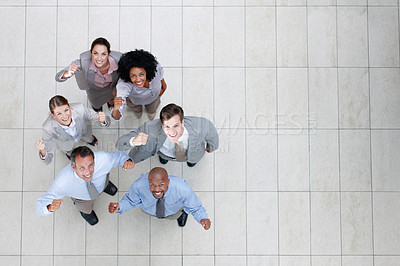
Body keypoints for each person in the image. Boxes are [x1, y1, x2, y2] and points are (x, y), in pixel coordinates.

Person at [36, 146, 135, 225]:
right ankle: (85, 212)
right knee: (87, 211)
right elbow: (39, 207)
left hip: (102, 183)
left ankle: (105, 187)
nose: (88, 172)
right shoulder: (62, 182)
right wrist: (49, 208)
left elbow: (119, 156)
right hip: (83, 199)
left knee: (109, 187)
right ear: (73, 167)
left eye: (90, 165)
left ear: (94, 161)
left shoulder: (103, 159)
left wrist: (126, 161)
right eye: (82, 168)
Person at [116, 103, 219, 167]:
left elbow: (213, 136)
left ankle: (191, 161)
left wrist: (212, 147)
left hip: (193, 154)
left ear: (182, 122)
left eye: (176, 126)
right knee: (164, 158)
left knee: (192, 161)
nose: (172, 132)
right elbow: (119, 144)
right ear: (161, 125)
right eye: (167, 127)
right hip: (164, 152)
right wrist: (133, 141)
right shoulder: (149, 128)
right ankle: (164, 158)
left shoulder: (202, 126)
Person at [108, 167, 211, 230]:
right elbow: (131, 201)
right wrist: (120, 207)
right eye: (152, 185)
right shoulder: (138, 186)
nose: (156, 190)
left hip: (174, 210)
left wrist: (203, 218)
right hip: (149, 209)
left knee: (176, 215)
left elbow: (195, 208)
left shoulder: (183, 189)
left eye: (161, 185)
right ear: (148, 182)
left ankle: (182, 214)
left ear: (168, 182)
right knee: (151, 212)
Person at [35, 95, 111, 165]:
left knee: (88, 137)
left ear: (69, 106)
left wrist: (103, 120)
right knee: (68, 150)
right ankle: (69, 153)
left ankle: (90, 139)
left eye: (66, 110)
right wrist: (43, 151)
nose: (65, 116)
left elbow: (101, 120)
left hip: (84, 132)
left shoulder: (80, 108)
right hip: (66, 143)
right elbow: (48, 161)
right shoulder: (47, 127)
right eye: (59, 114)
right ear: (53, 115)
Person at [55, 37, 122, 111]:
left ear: (109, 54)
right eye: (95, 53)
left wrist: (117, 89)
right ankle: (98, 110)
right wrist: (66, 74)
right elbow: (57, 77)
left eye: (103, 54)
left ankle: (110, 103)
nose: (99, 58)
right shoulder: (84, 62)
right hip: (93, 90)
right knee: (96, 104)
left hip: (110, 88)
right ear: (91, 52)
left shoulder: (119, 60)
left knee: (111, 98)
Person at [111, 49, 167, 121]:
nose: (138, 80)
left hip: (154, 99)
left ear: (147, 71)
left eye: (141, 74)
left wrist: (163, 88)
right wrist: (116, 109)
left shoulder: (155, 66)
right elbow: (117, 115)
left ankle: (151, 113)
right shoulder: (124, 84)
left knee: (152, 110)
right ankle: (138, 112)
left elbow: (161, 74)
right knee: (136, 109)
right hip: (135, 102)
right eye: (133, 75)